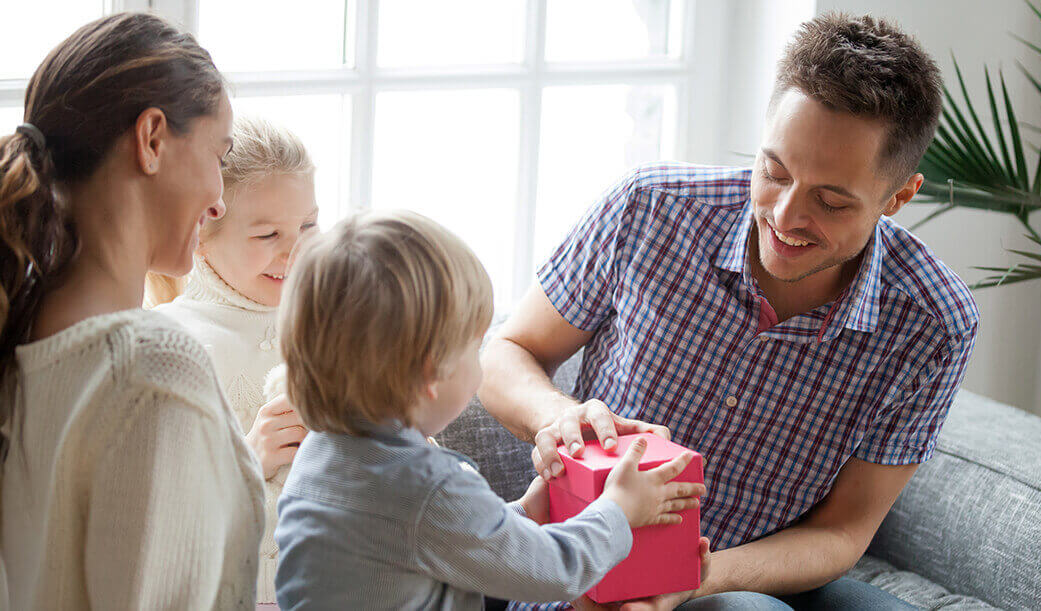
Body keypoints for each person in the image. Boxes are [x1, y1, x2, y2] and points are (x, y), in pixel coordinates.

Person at [479, 13, 978, 610]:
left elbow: (844, 529)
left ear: (897, 198)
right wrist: (553, 416)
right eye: (774, 171)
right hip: (592, 559)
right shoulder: (652, 209)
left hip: (746, 572)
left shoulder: (933, 324)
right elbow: (506, 352)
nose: (785, 216)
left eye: (831, 201)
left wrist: (702, 574)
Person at [272, 211, 707, 609]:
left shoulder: (320, 453)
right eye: (474, 345)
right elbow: (551, 572)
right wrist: (619, 510)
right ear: (433, 371)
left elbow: (446, 543)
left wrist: (522, 514)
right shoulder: (425, 486)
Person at [0, 12, 263, 610]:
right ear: (151, 140)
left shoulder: (23, 336)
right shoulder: (150, 371)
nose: (220, 201)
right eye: (219, 154)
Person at [152, 115, 318, 605]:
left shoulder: (339, 326)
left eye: (308, 225)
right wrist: (250, 458)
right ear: (202, 231)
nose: (295, 251)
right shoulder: (166, 337)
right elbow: (151, 517)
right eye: (267, 235)